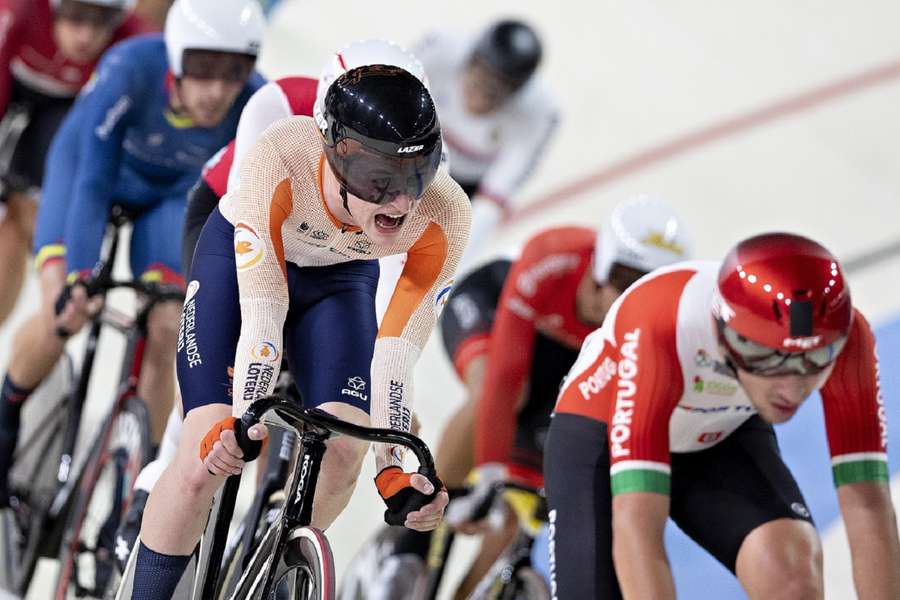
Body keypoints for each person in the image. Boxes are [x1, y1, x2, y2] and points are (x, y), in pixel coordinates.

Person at [130, 64, 471, 599]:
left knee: (345, 445)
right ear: (335, 157)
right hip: (243, 267)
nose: (401, 202)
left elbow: (397, 352)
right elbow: (263, 313)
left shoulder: (445, 212)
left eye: (416, 175)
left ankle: (266, 565)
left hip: (338, 282)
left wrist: (394, 471)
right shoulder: (282, 154)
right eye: (379, 179)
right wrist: (242, 420)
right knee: (205, 452)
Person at [341, 197, 692, 599]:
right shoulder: (553, 259)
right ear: (600, 267)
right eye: (626, 281)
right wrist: (489, 473)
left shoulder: (647, 331)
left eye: (646, 289)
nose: (632, 300)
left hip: (566, 364)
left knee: (514, 514)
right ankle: (412, 540)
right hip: (495, 311)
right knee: (495, 386)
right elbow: (504, 382)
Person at [0, 0, 266, 504]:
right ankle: (6, 415)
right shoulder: (130, 67)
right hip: (91, 171)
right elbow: (91, 178)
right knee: (66, 308)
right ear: (175, 61)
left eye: (233, 74)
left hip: (171, 196)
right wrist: (78, 273)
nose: (216, 91)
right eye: (202, 71)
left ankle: (138, 483)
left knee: (169, 325)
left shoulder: (254, 104)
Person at [545, 232, 900, 599]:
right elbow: (637, 524)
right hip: (601, 434)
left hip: (718, 428)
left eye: (814, 362)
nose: (793, 389)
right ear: (728, 338)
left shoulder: (848, 337)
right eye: (770, 361)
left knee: (789, 573)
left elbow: (867, 502)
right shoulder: (662, 324)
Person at [0, 0, 150, 327]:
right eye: (76, 17)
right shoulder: (18, 10)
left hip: (68, 108)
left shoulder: (133, 40)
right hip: (13, 84)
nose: (86, 36)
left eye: (102, 22)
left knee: (23, 216)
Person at [414, 19, 560, 271]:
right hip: (414, 150)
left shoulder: (540, 114)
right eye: (478, 82)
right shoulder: (439, 50)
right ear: (468, 62)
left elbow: (490, 204)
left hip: (465, 185)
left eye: (495, 93)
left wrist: (449, 273)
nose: (479, 99)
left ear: (516, 94)